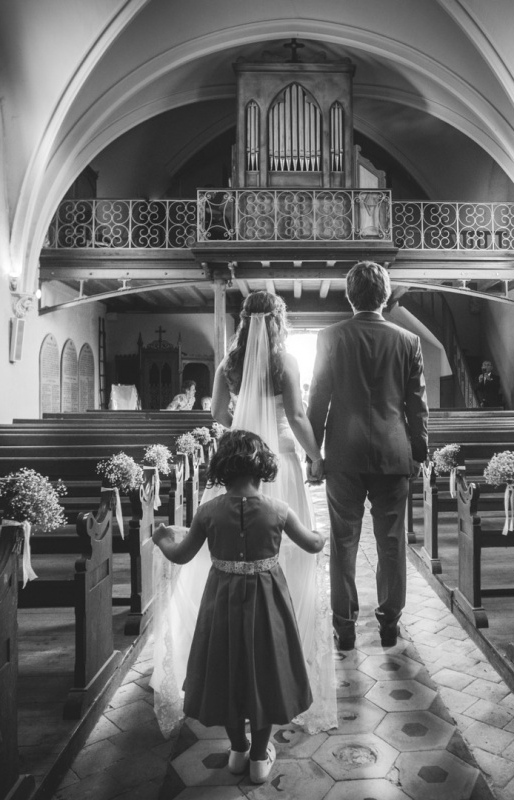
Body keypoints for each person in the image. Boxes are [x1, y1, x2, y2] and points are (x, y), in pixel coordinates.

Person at [150, 291, 336, 737]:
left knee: (232, 543)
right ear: (277, 321)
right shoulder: (285, 361)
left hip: (239, 466)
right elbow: (295, 413)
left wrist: (243, 417)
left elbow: (217, 414)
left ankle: (234, 648)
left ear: (243, 321)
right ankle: (283, 652)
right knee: (285, 552)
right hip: (283, 464)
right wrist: (318, 457)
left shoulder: (227, 364)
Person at [152, 430, 324, 784]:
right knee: (264, 673)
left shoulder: (208, 512)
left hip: (222, 605)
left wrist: (162, 539)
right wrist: (322, 533)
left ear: (222, 469)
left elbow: (181, 555)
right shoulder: (279, 510)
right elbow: (312, 544)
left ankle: (237, 750)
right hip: (268, 607)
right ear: (262, 468)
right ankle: (260, 757)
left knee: (228, 673)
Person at [307, 261, 429, 651]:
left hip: (343, 452)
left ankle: (344, 628)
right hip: (394, 454)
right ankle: (389, 623)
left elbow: (318, 400)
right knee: (391, 542)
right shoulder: (407, 341)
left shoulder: (330, 337)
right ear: (386, 294)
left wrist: (314, 455)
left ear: (349, 295)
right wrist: (418, 453)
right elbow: (417, 406)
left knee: (344, 542)